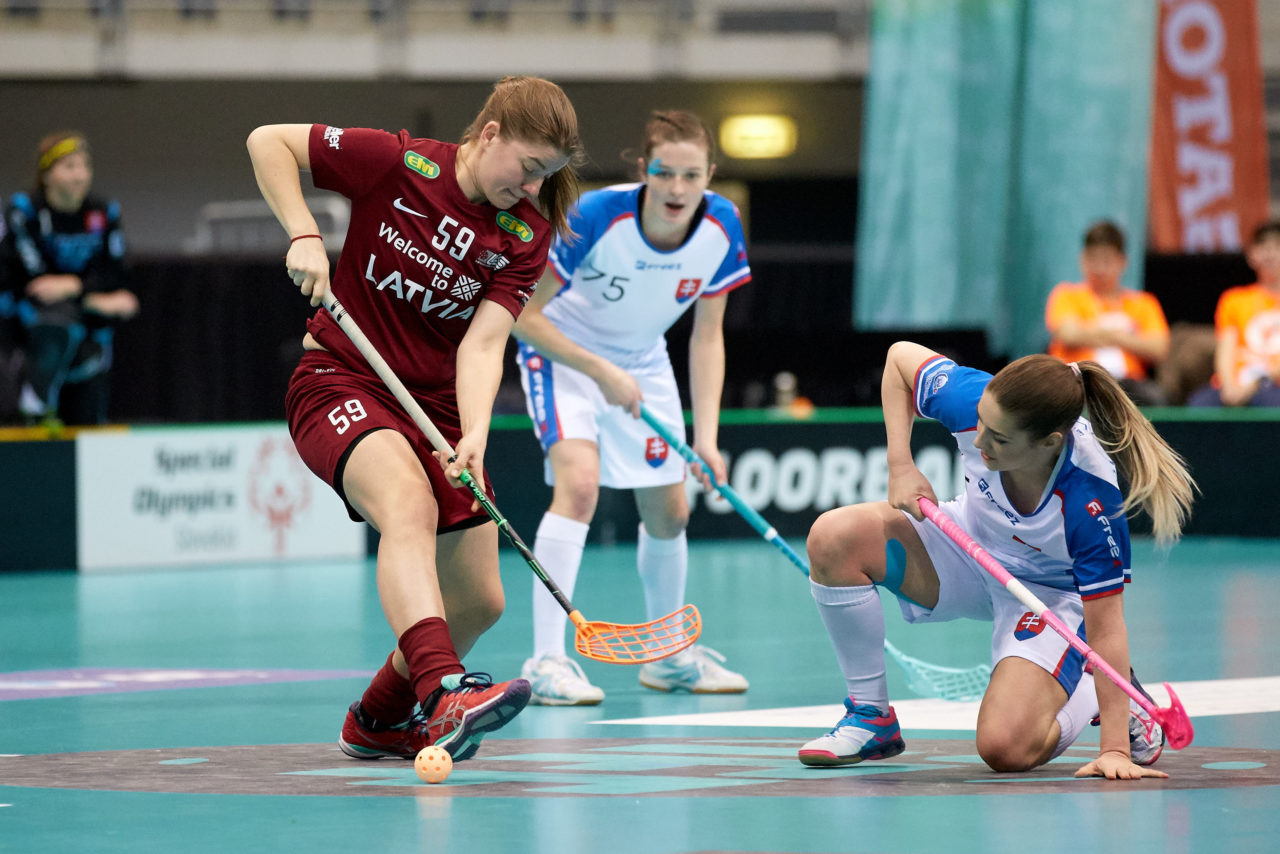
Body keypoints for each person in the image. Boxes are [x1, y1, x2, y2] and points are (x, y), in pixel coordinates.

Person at [245, 75, 586, 761]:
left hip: (437, 411)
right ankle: (442, 694)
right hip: (342, 379)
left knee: (481, 601)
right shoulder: (399, 163)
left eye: (545, 177)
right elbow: (268, 142)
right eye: (526, 168)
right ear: (489, 134)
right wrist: (304, 234)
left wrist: (477, 433)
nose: (529, 188)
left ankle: (377, 718)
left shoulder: (525, 233)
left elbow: (485, 343)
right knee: (406, 505)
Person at [800, 341, 1196, 780]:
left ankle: (1094, 690)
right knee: (834, 537)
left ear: (1049, 443)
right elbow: (897, 360)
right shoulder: (978, 401)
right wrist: (900, 463)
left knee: (1004, 748)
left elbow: (1106, 628)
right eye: (982, 425)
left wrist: (1116, 751)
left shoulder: (1090, 502)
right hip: (969, 547)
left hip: (1050, 598)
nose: (980, 441)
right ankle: (871, 717)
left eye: (999, 439)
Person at [511, 110, 750, 705]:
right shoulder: (597, 215)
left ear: (709, 175)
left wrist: (708, 438)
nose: (676, 189)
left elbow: (707, 336)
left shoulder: (723, 225)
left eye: (691, 175)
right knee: (581, 486)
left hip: (642, 362)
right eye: (664, 173)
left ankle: (669, 661)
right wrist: (598, 371)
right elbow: (523, 316)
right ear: (644, 169)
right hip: (564, 355)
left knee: (670, 511)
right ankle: (545, 661)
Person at [0, 132, 140, 427]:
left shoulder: (103, 212)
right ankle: (34, 402)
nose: (80, 176)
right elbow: (36, 283)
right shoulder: (25, 210)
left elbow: (115, 273)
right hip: (26, 325)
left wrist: (73, 287)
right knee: (57, 320)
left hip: (86, 325)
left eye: (85, 166)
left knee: (89, 399)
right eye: (69, 167)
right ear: (47, 175)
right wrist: (94, 296)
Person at [1045, 220, 1170, 406]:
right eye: (1093, 259)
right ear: (1083, 259)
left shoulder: (1143, 303)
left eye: (1107, 261)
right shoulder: (1067, 295)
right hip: (1077, 379)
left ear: (1122, 262)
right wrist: (1122, 334)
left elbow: (1159, 348)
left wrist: (1092, 333)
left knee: (1156, 398)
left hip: (1127, 384)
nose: (1100, 269)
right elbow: (1068, 334)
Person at [1186, 219, 1280, 407]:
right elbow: (1225, 348)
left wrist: (1256, 383)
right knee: (1198, 406)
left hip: (1273, 385)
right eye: (1263, 246)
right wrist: (1228, 385)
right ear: (1251, 255)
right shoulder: (1234, 299)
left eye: (1277, 246)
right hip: (1234, 384)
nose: (1270, 253)